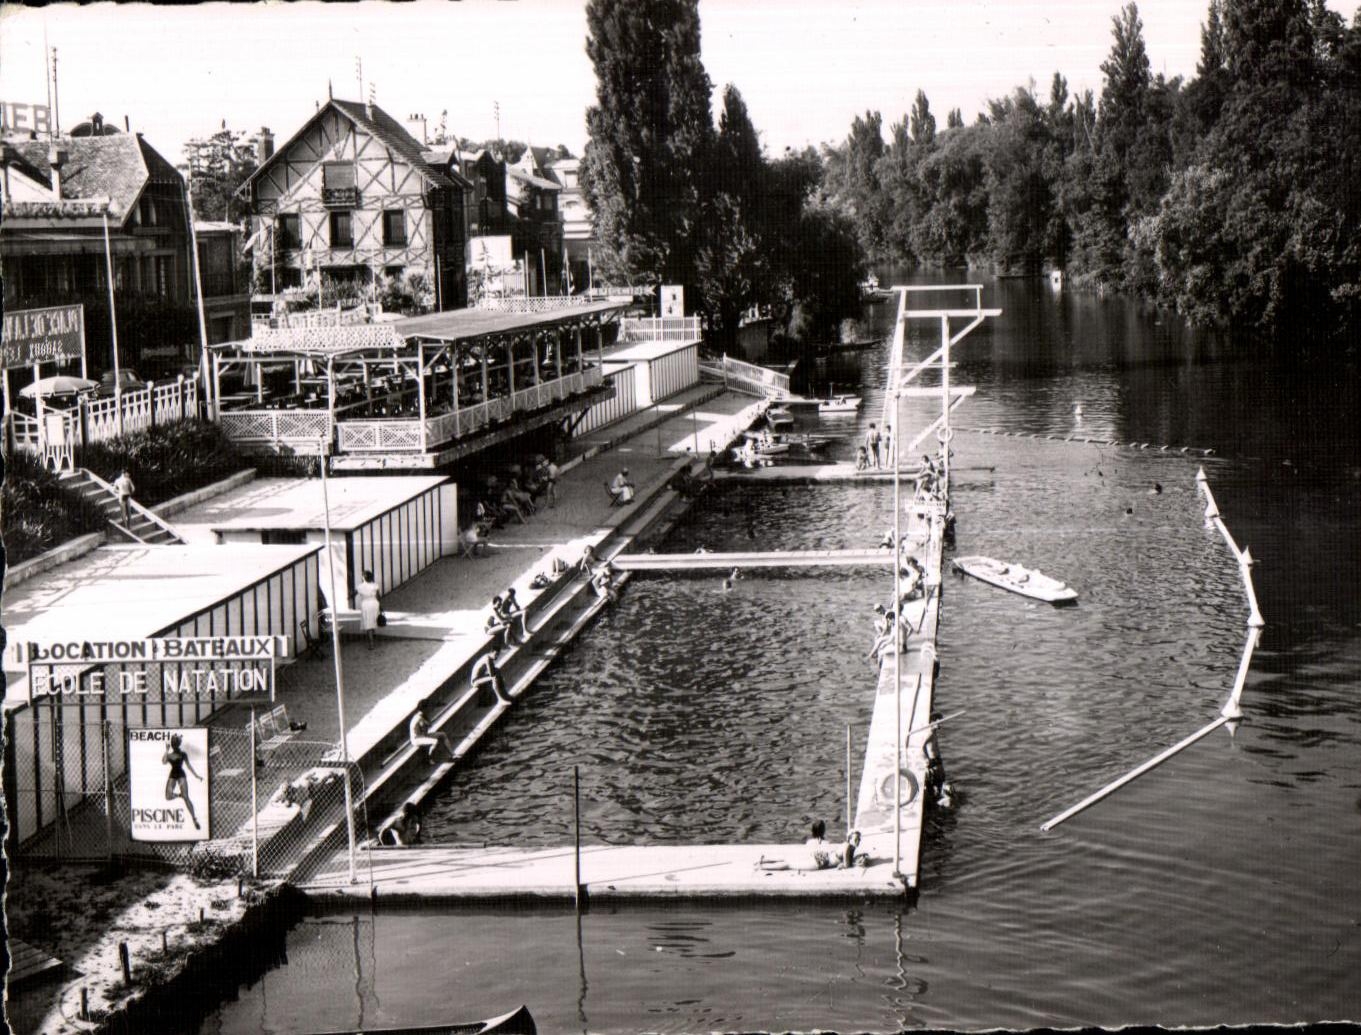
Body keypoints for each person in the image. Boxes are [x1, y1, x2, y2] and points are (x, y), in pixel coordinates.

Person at [162, 733, 203, 830]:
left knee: (186, 798)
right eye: (173, 743)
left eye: (175, 743)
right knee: (168, 796)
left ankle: (194, 819)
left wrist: (196, 775)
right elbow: (163, 762)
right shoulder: (169, 755)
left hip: (181, 775)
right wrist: (166, 750)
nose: (174, 745)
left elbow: (189, 766)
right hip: (173, 775)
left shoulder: (183, 754)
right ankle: (180, 795)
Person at [356, 569, 381, 650]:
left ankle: (371, 644)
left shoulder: (360, 586)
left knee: (368, 623)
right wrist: (380, 606)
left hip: (365, 604)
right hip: (374, 603)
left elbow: (355, 593)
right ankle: (373, 637)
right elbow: (378, 597)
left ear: (363, 577)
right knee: (373, 621)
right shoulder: (375, 585)